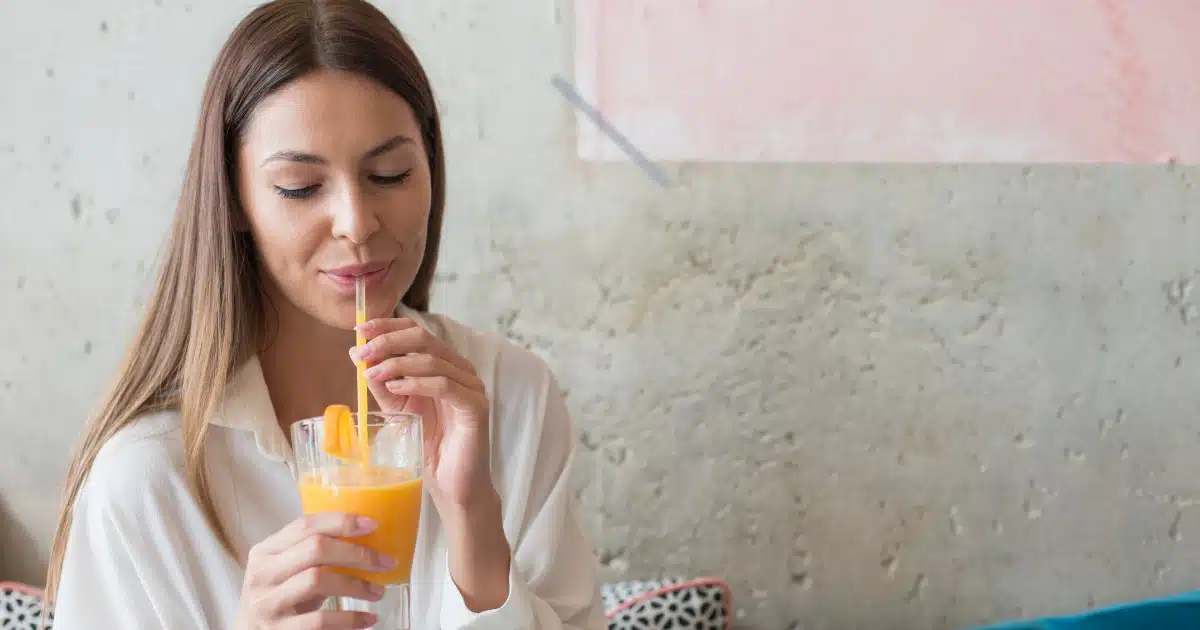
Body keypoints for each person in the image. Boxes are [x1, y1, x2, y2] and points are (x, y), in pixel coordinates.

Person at [44, 0, 606, 628]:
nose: (357, 224)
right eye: (299, 188)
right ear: (233, 201)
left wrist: (475, 525)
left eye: (390, 175)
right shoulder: (144, 479)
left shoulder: (511, 397)